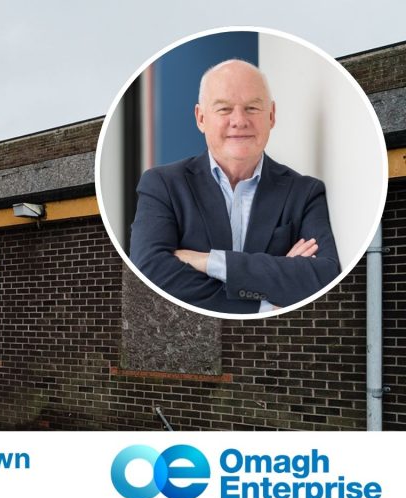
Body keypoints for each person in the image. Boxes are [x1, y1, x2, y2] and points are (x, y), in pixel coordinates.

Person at [129, 59, 339, 314]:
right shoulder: (163, 185)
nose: (239, 121)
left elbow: (324, 276)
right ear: (201, 118)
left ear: (271, 116)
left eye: (252, 108)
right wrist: (267, 301)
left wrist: (208, 262)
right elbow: (151, 272)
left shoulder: (305, 193)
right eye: (224, 109)